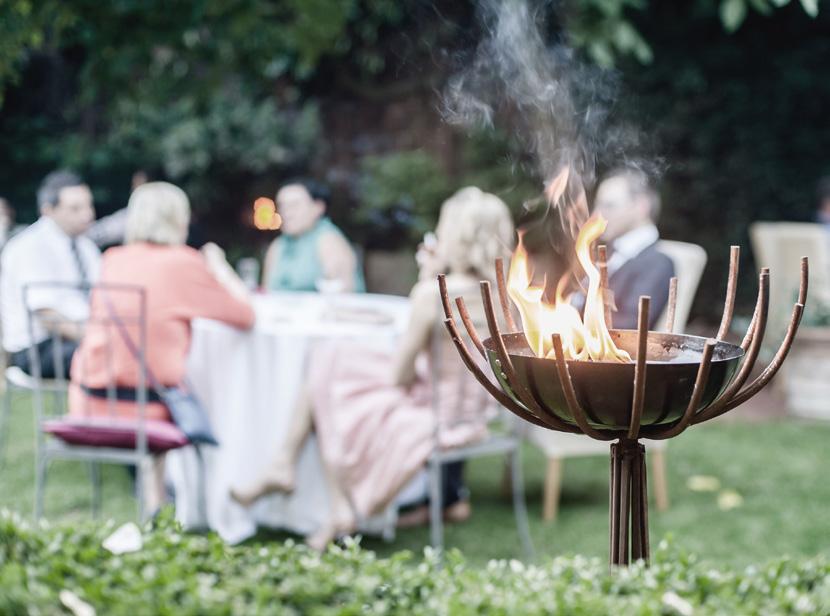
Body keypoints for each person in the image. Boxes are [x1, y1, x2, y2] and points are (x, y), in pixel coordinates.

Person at [232, 187, 513, 549]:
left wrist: (428, 279)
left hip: (435, 413)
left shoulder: (433, 294)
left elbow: (401, 375)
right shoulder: (508, 297)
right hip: (475, 413)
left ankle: (332, 502)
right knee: (332, 357)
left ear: (454, 236)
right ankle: (305, 481)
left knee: (331, 379)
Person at [68, 181, 255, 512]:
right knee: (189, 388)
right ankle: (201, 500)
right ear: (178, 219)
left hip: (89, 402)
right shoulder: (184, 263)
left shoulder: (113, 259)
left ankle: (156, 499)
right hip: (149, 409)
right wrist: (220, 267)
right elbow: (245, 316)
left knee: (151, 375)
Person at [1, 171, 100, 378]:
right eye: (75, 208)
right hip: (36, 349)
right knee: (109, 357)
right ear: (48, 210)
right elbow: (47, 314)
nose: (87, 214)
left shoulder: (87, 248)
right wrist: (96, 337)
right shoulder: (28, 247)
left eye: (88, 205)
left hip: (77, 338)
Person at [591, 168, 674, 329]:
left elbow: (630, 326)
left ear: (641, 206)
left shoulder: (657, 263)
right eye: (597, 206)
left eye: (608, 205)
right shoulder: (608, 252)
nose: (596, 216)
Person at [262, 179, 365, 293]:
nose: (286, 212)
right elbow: (266, 291)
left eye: (294, 205)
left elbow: (341, 293)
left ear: (318, 207)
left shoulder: (328, 239)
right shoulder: (278, 245)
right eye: (282, 206)